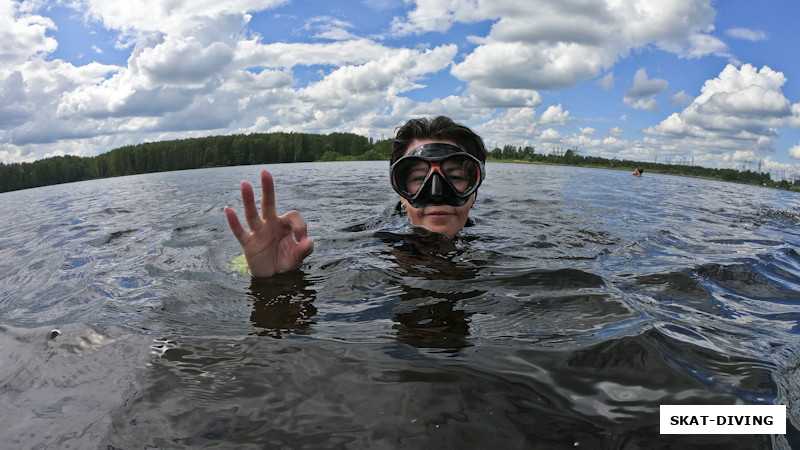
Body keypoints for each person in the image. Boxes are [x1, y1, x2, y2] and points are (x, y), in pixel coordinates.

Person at [224, 116, 488, 278]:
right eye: (419, 179)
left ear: (474, 190)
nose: (436, 193)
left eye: (455, 178)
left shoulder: (494, 245)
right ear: (402, 194)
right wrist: (264, 273)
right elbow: (324, 247)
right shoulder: (372, 239)